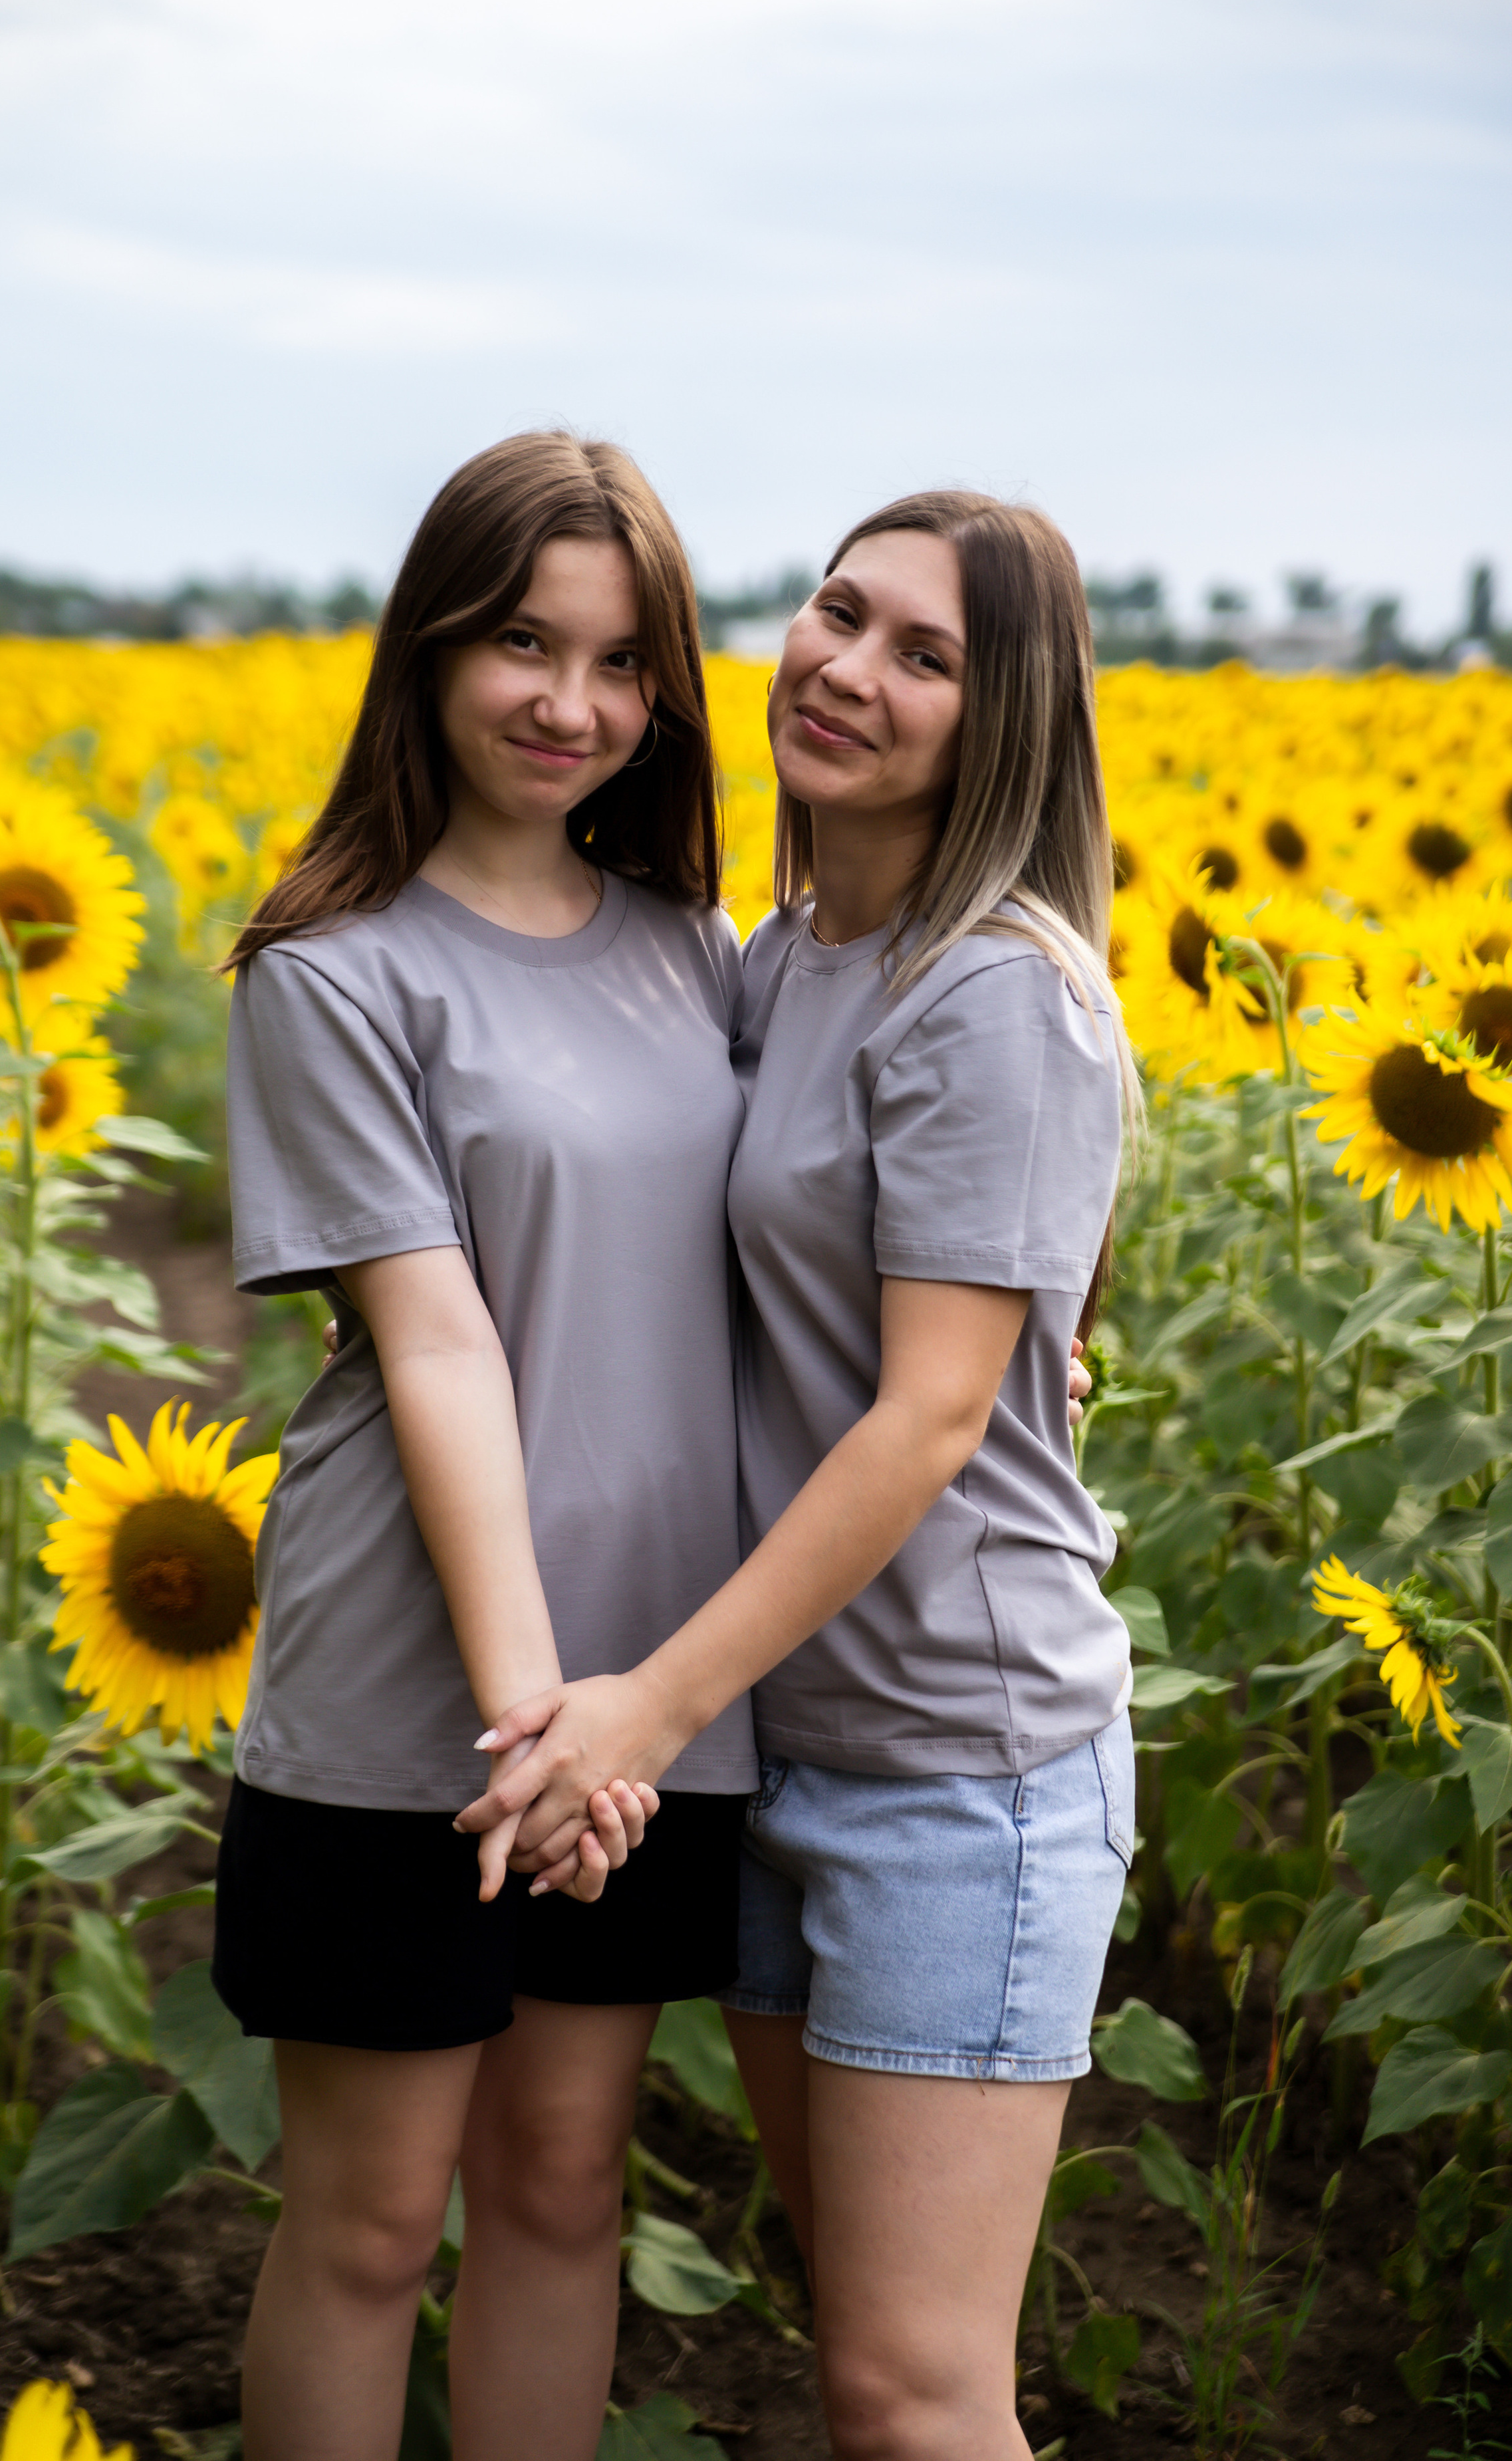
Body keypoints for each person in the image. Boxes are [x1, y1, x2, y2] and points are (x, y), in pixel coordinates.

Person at [462, 491, 1140, 2461]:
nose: (848, 669)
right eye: (842, 613)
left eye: (927, 656)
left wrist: (643, 1710)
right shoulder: (791, 956)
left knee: (911, 2393)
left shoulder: (995, 991)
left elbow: (927, 1420)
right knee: (868, 2346)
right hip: (786, 1744)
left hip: (956, 1763)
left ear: (1006, 720)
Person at [211, 432, 761, 2461]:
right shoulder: (333, 971)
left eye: (621, 663)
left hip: (655, 1683)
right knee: (367, 2226)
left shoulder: (702, 951)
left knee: (561, 2188)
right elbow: (438, 1342)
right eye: (524, 642)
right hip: (422, 1695)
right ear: (431, 644)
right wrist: (544, 1734)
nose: (570, 704)